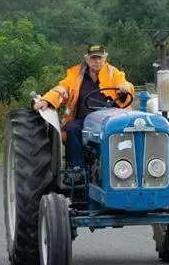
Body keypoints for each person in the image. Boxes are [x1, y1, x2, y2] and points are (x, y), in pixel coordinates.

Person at [33, 44, 135, 180]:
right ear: (87, 59)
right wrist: (47, 100)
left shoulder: (113, 73)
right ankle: (77, 169)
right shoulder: (76, 74)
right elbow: (62, 89)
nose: (97, 61)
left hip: (111, 119)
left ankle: (126, 168)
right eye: (93, 58)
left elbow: (125, 84)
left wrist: (124, 88)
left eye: (99, 58)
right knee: (72, 127)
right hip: (84, 120)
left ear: (105, 58)